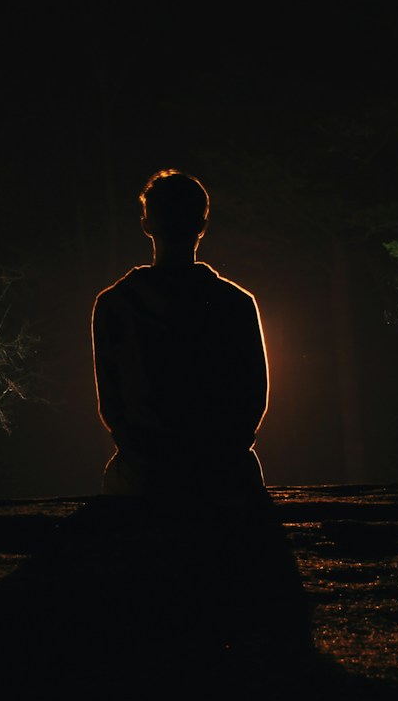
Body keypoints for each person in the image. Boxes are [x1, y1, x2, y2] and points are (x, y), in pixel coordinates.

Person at [92, 170, 268, 498]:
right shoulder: (237, 304)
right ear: (202, 225)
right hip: (224, 474)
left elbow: (112, 409)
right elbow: (253, 400)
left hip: (146, 475)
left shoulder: (113, 305)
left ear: (147, 225)